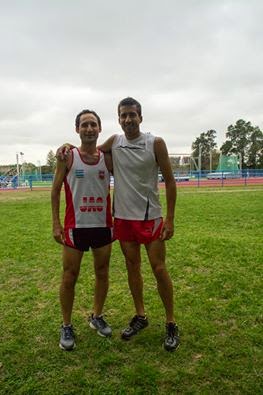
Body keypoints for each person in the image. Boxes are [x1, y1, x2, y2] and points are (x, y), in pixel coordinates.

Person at [57, 97, 179, 351]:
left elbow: (170, 181)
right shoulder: (114, 142)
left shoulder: (155, 143)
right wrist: (67, 146)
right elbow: (89, 149)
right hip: (122, 219)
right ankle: (140, 316)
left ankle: (171, 322)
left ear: (140, 117)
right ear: (118, 118)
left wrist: (170, 218)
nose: (128, 119)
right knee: (132, 268)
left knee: (158, 269)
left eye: (132, 115)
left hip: (151, 217)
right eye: (123, 115)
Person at [51, 109, 113, 351]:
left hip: (103, 225)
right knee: (69, 276)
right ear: (77, 129)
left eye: (93, 124)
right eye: (84, 124)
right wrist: (56, 224)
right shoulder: (68, 156)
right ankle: (66, 325)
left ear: (100, 129)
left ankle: (96, 316)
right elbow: (55, 190)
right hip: (75, 227)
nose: (89, 128)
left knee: (102, 272)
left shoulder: (107, 158)